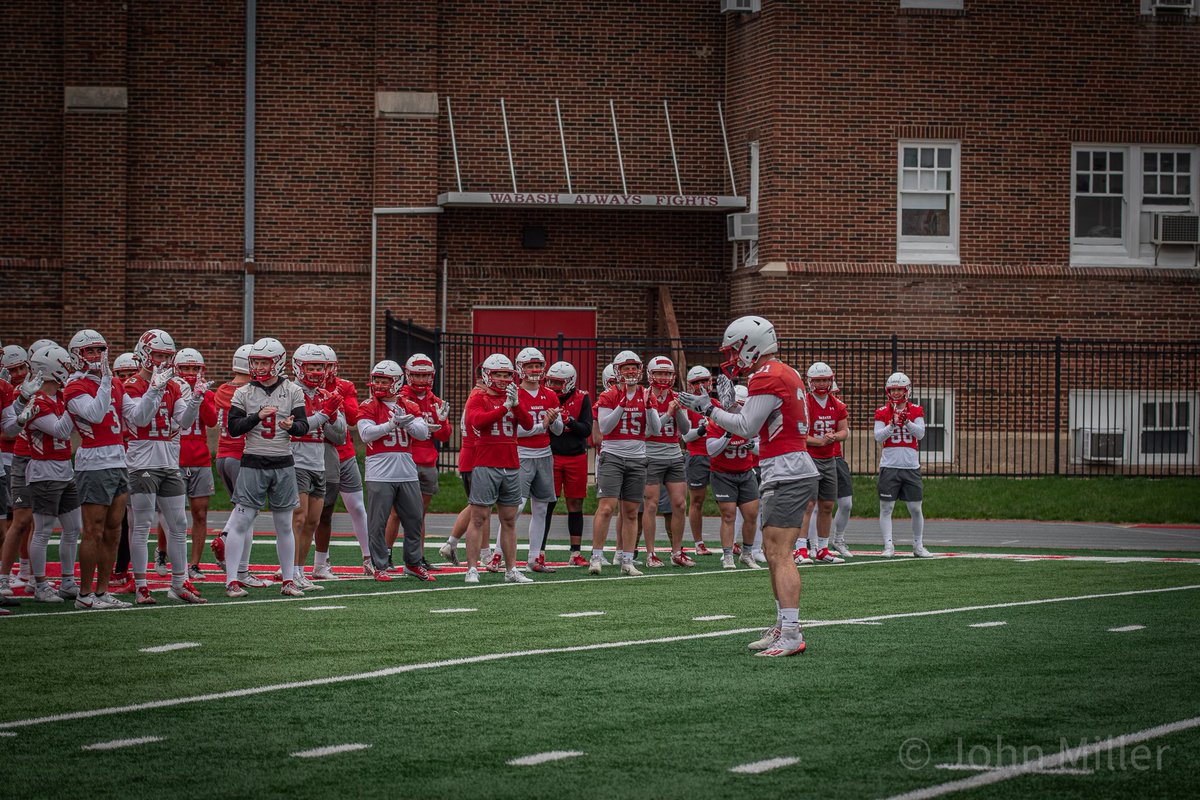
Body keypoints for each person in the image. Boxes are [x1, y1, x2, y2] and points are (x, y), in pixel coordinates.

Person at [680, 315, 818, 657]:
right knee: (773, 553)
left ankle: (791, 632)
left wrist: (710, 409)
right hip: (785, 466)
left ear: (750, 344)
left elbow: (745, 427)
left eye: (735, 349)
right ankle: (782, 626)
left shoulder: (768, 375)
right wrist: (725, 406)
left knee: (779, 553)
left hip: (787, 469)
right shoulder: (786, 372)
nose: (732, 357)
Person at [222, 337, 313, 598]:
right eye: (256, 361)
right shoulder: (243, 392)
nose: (260, 367)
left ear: (278, 362)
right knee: (241, 522)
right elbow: (233, 428)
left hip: (283, 462)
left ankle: (287, 580)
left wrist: (290, 427)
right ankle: (231, 581)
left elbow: (303, 427)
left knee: (284, 524)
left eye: (264, 361)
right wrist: (257, 417)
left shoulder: (293, 390)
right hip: (252, 461)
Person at [123, 329, 206, 604]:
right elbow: (140, 418)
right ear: (145, 354)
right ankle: (142, 585)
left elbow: (183, 421)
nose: (161, 361)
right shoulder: (133, 384)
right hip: (142, 462)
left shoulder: (172, 386)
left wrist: (195, 399)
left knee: (179, 523)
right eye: (157, 354)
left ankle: (180, 582)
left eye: (166, 356)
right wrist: (154, 388)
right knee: (142, 524)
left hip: (169, 461)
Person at [16, 346, 82, 604]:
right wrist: (75, 405)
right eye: (65, 366)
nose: (69, 371)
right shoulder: (39, 401)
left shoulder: (59, 398)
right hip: (44, 471)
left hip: (65, 468)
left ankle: (67, 581)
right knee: (43, 530)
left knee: (73, 528)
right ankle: (40, 584)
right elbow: (61, 431)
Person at [462, 354, 534, 585]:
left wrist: (516, 406)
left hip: (511, 464)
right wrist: (504, 407)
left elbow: (528, 424)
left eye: (506, 374)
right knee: (479, 517)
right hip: (486, 464)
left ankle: (511, 569)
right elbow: (478, 422)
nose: (503, 379)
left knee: (510, 519)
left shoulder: (513, 396)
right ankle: (472, 568)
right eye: (498, 374)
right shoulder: (478, 397)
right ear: (487, 375)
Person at [357, 360, 432, 580]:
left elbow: (422, 433)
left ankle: (413, 563)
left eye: (384, 381)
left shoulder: (408, 405)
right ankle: (379, 565)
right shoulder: (369, 405)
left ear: (397, 382)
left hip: (406, 471)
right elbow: (366, 434)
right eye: (377, 380)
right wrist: (391, 425)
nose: (379, 385)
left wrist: (406, 423)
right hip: (380, 472)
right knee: (378, 522)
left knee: (414, 519)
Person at [589, 350, 660, 576]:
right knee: (607, 507)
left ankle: (627, 560)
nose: (630, 372)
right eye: (626, 368)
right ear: (617, 371)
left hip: (638, 458)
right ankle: (597, 557)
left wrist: (648, 407)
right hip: (613, 456)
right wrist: (622, 402)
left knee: (631, 511)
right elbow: (606, 428)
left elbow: (655, 430)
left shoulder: (646, 393)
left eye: (634, 367)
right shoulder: (608, 395)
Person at [209, 344, 272, 588]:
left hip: (223, 455)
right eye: (257, 363)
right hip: (242, 455)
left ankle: (238, 562)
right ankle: (234, 553)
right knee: (248, 513)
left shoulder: (223, 389)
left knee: (245, 511)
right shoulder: (250, 391)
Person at [287, 344, 345, 588]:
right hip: (296, 459)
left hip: (318, 461)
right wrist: (323, 415)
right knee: (298, 518)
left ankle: (300, 571)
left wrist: (331, 416)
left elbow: (340, 436)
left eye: (320, 366)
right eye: (311, 366)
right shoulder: (289, 392)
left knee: (313, 520)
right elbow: (294, 427)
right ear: (298, 367)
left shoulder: (325, 395)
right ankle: (289, 570)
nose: (316, 371)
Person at [316, 346, 373, 576]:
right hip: (317, 455)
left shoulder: (345, 386)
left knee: (357, 507)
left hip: (345, 452)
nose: (322, 371)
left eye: (326, 366)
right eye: (319, 366)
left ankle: (368, 557)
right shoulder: (300, 389)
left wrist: (336, 399)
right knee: (320, 512)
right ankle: (320, 561)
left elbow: (352, 417)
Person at [510, 347, 564, 573]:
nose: (534, 370)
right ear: (520, 368)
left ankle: (534, 558)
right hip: (522, 454)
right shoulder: (515, 394)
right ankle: (499, 554)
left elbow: (559, 431)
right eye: (530, 366)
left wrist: (553, 421)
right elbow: (515, 431)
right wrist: (541, 426)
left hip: (544, 454)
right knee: (516, 507)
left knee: (541, 508)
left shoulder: (549, 394)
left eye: (538, 365)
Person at [397, 353, 452, 565]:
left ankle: (418, 558)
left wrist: (442, 421)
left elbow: (444, 437)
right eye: (417, 376)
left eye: (426, 376)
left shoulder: (435, 401)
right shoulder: (400, 398)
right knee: (395, 514)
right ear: (408, 375)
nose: (422, 380)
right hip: (405, 460)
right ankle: (386, 556)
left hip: (428, 462)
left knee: (420, 514)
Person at [874, 371, 932, 558]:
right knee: (886, 507)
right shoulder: (882, 411)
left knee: (915, 508)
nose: (897, 393)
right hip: (890, 465)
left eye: (900, 389)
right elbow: (878, 436)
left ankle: (918, 545)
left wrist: (906, 422)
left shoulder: (916, 410)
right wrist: (891, 426)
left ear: (906, 390)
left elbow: (920, 434)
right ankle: (889, 545)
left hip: (910, 466)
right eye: (893, 389)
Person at [174, 348, 220, 580]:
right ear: (177, 370)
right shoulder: (171, 390)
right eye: (186, 368)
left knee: (200, 514)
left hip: (200, 457)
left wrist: (200, 396)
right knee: (173, 514)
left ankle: (194, 564)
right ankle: (166, 555)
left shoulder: (207, 394)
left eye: (195, 369)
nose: (190, 373)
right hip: (175, 457)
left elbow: (212, 422)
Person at [641, 356, 691, 568]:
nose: (663, 377)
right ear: (650, 374)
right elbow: (646, 431)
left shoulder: (677, 396)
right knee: (650, 505)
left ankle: (677, 551)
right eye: (659, 373)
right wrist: (668, 413)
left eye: (667, 373)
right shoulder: (643, 396)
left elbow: (686, 430)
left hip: (673, 453)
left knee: (680, 504)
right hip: (650, 454)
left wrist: (678, 412)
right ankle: (650, 553)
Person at [706, 384, 762, 570]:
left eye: (743, 405)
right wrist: (728, 435)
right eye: (736, 404)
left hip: (745, 472)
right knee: (728, 514)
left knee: (752, 514)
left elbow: (761, 448)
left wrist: (750, 445)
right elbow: (711, 450)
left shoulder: (751, 422)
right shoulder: (716, 423)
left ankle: (746, 554)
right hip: (723, 474)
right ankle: (728, 554)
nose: (739, 409)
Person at [798, 362, 848, 565]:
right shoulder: (805, 404)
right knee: (807, 505)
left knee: (827, 504)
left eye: (825, 379)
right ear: (810, 382)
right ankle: (800, 549)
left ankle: (822, 548)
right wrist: (820, 441)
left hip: (829, 459)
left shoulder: (837, 404)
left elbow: (845, 431)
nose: (821, 383)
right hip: (809, 458)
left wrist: (834, 436)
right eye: (818, 380)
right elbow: (800, 434)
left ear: (831, 380)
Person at [545, 360, 592, 567]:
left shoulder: (583, 398)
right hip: (552, 456)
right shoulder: (546, 396)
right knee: (548, 503)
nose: (554, 386)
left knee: (575, 503)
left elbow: (586, 429)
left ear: (570, 381)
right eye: (552, 381)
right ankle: (540, 550)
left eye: (558, 382)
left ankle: (575, 552)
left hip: (576, 456)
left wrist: (568, 420)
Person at [681, 365, 716, 555]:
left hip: (718, 455)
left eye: (704, 381)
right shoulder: (686, 405)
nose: (700, 385)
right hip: (697, 455)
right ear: (689, 385)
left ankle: (733, 542)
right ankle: (698, 542)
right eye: (696, 382)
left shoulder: (716, 404)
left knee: (727, 502)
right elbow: (686, 436)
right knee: (696, 500)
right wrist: (703, 429)